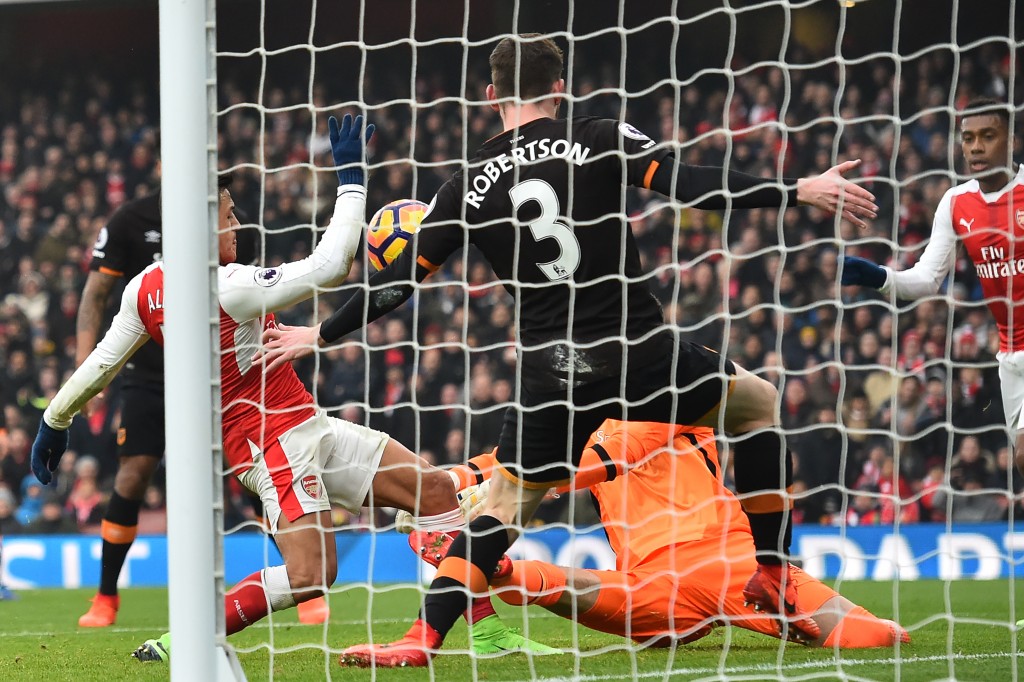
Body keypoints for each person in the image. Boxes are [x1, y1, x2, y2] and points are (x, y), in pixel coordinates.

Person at [257, 34, 877, 666]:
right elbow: (694, 185)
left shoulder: (464, 186)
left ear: (491, 94)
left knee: (503, 507)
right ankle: (770, 573)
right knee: (758, 404)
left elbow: (395, 288)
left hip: (550, 372)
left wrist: (319, 334)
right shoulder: (601, 136)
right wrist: (797, 190)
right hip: (635, 351)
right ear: (558, 89)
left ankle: (421, 640)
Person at [30, 115, 548, 662]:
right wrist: (351, 178)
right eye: (229, 217)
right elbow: (330, 266)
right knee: (312, 574)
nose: (239, 225)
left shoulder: (145, 288)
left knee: (436, 492)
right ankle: (185, 636)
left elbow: (101, 366)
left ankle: (489, 632)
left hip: (305, 423)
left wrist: (53, 421)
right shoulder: (228, 287)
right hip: (268, 442)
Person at [413, 419, 909, 649]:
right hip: (651, 582)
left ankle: (779, 611)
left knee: (878, 637)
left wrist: (533, 480)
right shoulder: (575, 422)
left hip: (725, 560)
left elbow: (601, 461)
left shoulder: (674, 391)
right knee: (559, 582)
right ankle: (498, 569)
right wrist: (443, 485)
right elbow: (504, 460)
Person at [840, 98, 1024, 471]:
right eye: (968, 137)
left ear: (1011, 140)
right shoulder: (956, 203)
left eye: (988, 136)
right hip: (1011, 354)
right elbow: (926, 281)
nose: (976, 147)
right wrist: (877, 276)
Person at [74, 169, 164, 627]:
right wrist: (86, 374)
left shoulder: (231, 220)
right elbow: (95, 296)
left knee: (251, 471)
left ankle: (302, 585)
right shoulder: (131, 218)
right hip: (147, 374)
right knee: (132, 475)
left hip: (219, 373)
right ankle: (106, 597)